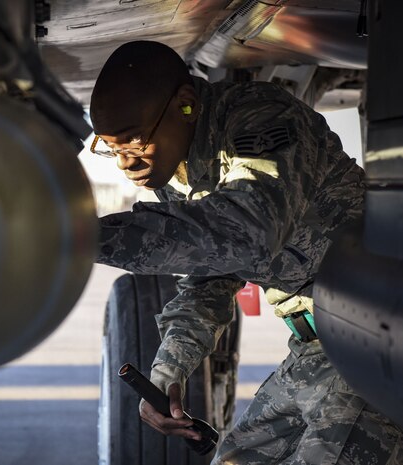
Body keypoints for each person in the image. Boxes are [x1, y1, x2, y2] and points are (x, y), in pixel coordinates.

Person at [90, 40, 403, 464]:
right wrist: (168, 372)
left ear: (185, 105)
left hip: (380, 341)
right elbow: (210, 280)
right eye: (111, 148)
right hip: (319, 347)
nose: (124, 163)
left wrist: (82, 238)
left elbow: (246, 233)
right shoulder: (177, 168)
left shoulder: (262, 119)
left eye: (134, 141)